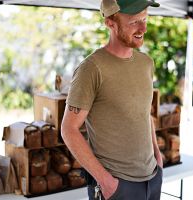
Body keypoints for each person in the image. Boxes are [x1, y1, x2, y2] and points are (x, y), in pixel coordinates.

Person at [61, 0, 163, 199]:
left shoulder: (146, 63)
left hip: (152, 178)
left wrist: (157, 156)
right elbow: (68, 129)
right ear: (110, 23)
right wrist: (106, 182)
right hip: (116, 186)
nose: (143, 28)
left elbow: (144, 112)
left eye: (145, 19)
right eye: (134, 21)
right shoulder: (91, 68)